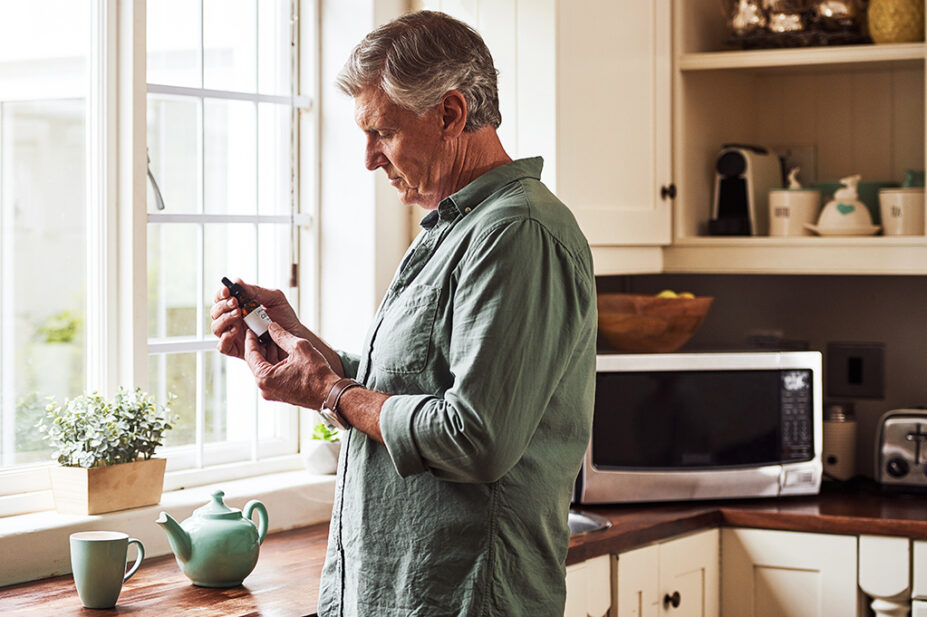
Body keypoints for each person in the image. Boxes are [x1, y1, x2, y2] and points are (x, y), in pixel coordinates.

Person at [210, 10, 596, 617]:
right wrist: (296, 340)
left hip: (465, 599)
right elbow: (406, 386)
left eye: (382, 132)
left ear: (450, 113)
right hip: (396, 592)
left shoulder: (516, 233)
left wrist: (331, 393)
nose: (368, 159)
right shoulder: (451, 228)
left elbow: (475, 437)